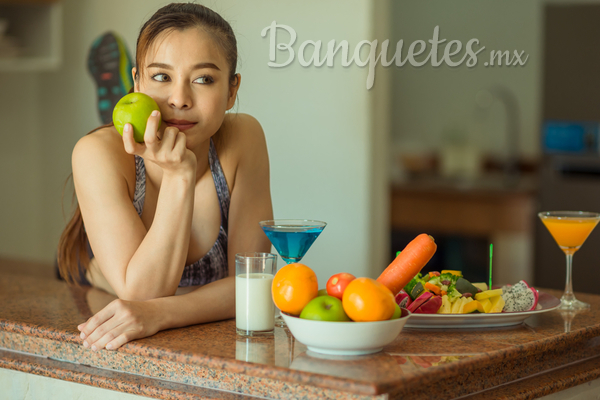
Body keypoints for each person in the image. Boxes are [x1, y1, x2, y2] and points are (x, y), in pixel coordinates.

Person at [57, 3, 273, 351]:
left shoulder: (242, 136)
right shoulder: (95, 153)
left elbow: (253, 283)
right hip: (92, 280)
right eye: (161, 77)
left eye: (203, 79)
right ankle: (123, 115)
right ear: (137, 81)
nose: (180, 99)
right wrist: (179, 176)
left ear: (232, 90)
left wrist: (161, 313)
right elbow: (142, 293)